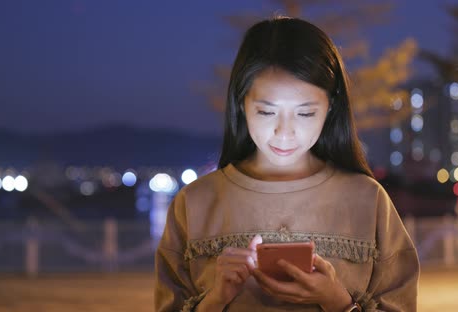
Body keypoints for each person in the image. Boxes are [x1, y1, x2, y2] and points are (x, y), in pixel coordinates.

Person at [154, 16, 419, 312]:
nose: (284, 132)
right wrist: (217, 298)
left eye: (305, 114)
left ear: (330, 108)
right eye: (267, 112)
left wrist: (336, 300)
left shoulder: (369, 201)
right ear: (241, 104)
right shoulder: (195, 204)